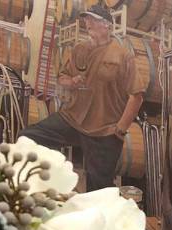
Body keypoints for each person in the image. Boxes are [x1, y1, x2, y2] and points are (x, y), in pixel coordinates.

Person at [20, 4, 145, 191]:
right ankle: (49, 184)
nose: (88, 23)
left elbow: (137, 96)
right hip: (74, 119)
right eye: (87, 19)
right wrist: (71, 82)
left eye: (93, 20)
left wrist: (120, 129)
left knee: (98, 190)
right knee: (29, 137)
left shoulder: (122, 56)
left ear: (107, 26)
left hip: (104, 129)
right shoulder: (80, 49)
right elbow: (62, 78)